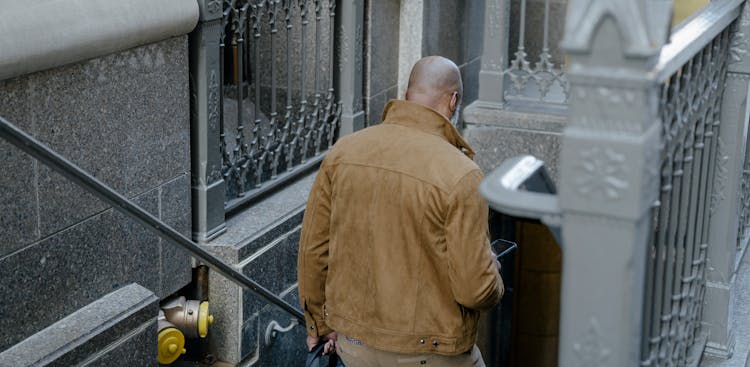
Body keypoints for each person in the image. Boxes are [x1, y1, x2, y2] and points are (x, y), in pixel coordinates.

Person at [297, 56, 504, 367]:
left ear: (407, 94)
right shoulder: (463, 175)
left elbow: (313, 251)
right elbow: (475, 290)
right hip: (433, 353)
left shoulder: (343, 153)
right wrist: (493, 273)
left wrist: (319, 326)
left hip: (354, 347)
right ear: (453, 100)